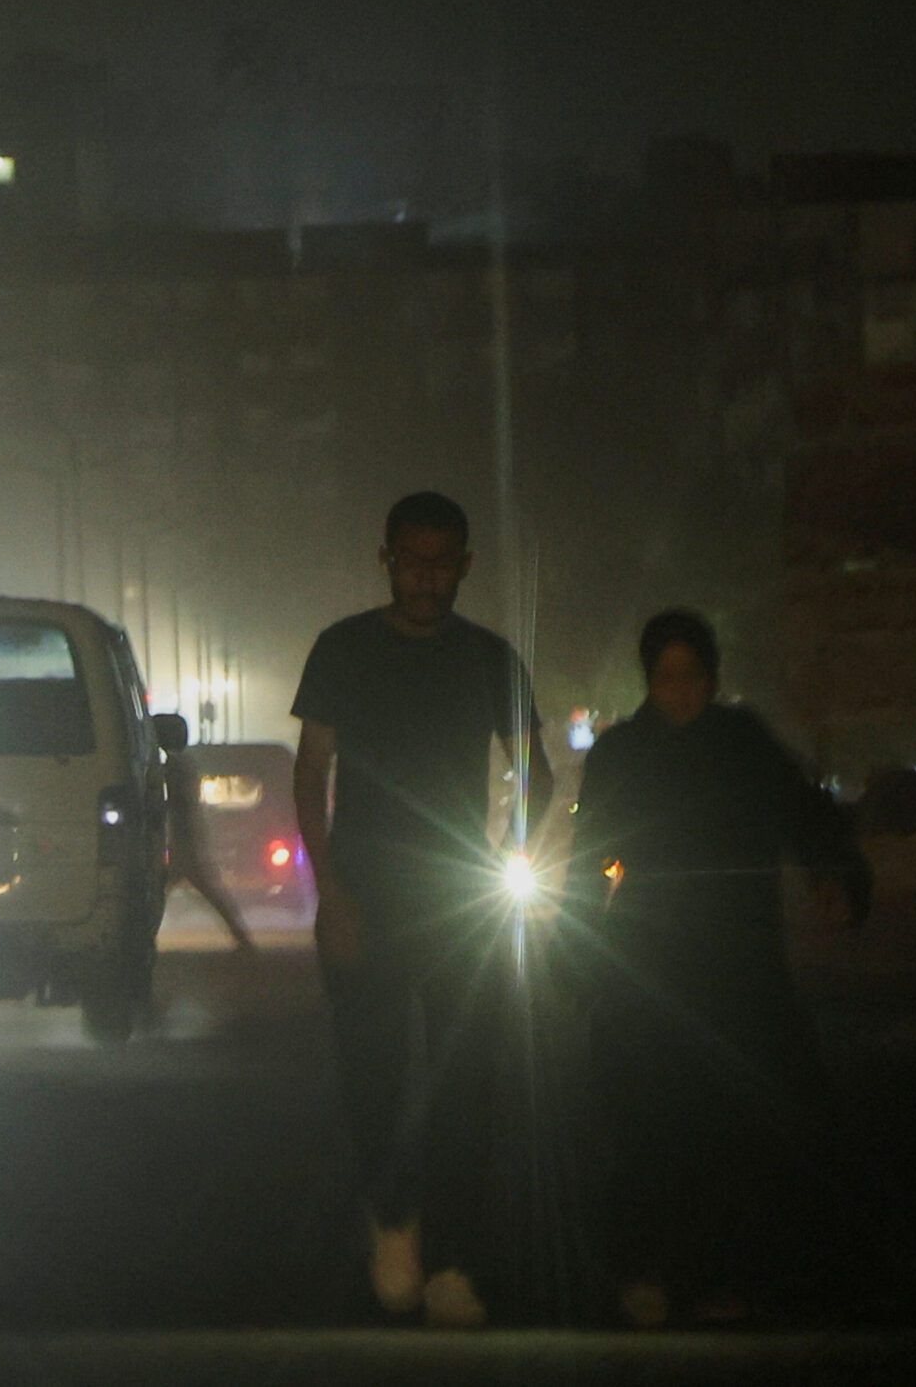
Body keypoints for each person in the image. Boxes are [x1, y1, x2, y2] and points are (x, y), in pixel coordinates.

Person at [563, 609, 870, 1328]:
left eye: (693, 677)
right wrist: (577, 956)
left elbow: (806, 816)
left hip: (740, 967)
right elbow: (589, 862)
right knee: (649, 1123)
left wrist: (835, 877)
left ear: (711, 677)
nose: (681, 693)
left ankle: (730, 1273)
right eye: (667, 678)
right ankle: (647, 1268)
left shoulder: (742, 745)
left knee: (742, 1125)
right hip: (649, 971)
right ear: (650, 680)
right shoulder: (625, 756)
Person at [291, 491, 551, 1328]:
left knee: (465, 1082)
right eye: (413, 561)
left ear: (466, 566)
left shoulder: (489, 659)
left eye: (442, 563)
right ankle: (394, 1221)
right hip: (365, 890)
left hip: (455, 895)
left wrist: (509, 849)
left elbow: (536, 773)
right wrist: (330, 891)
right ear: (387, 558)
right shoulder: (343, 649)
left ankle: (453, 1260)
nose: (427, 578)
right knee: (372, 1079)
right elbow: (311, 771)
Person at [162, 741, 256, 951]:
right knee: (212, 893)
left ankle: (242, 938)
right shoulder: (184, 762)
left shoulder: (175, 763)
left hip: (185, 843)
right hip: (187, 842)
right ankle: (241, 937)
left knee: (163, 893)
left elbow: (179, 802)